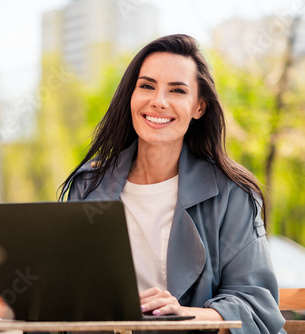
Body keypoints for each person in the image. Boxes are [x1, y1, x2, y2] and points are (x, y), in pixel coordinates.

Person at [59, 34, 286, 334]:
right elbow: (63, 294)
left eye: (177, 91)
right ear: (131, 95)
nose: (158, 101)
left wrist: (183, 314)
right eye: (147, 86)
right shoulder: (88, 187)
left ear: (199, 107)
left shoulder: (233, 195)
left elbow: (256, 306)